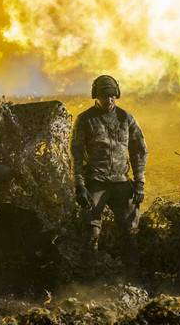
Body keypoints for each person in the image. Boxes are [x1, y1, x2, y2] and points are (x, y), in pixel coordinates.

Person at [71, 75, 148, 264]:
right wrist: (80, 186)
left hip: (121, 181)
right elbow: (77, 155)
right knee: (91, 230)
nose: (109, 100)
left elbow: (139, 150)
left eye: (113, 96)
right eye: (105, 96)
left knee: (130, 229)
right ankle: (89, 277)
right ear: (96, 96)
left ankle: (130, 273)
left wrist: (139, 183)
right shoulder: (85, 120)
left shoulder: (126, 118)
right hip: (96, 182)